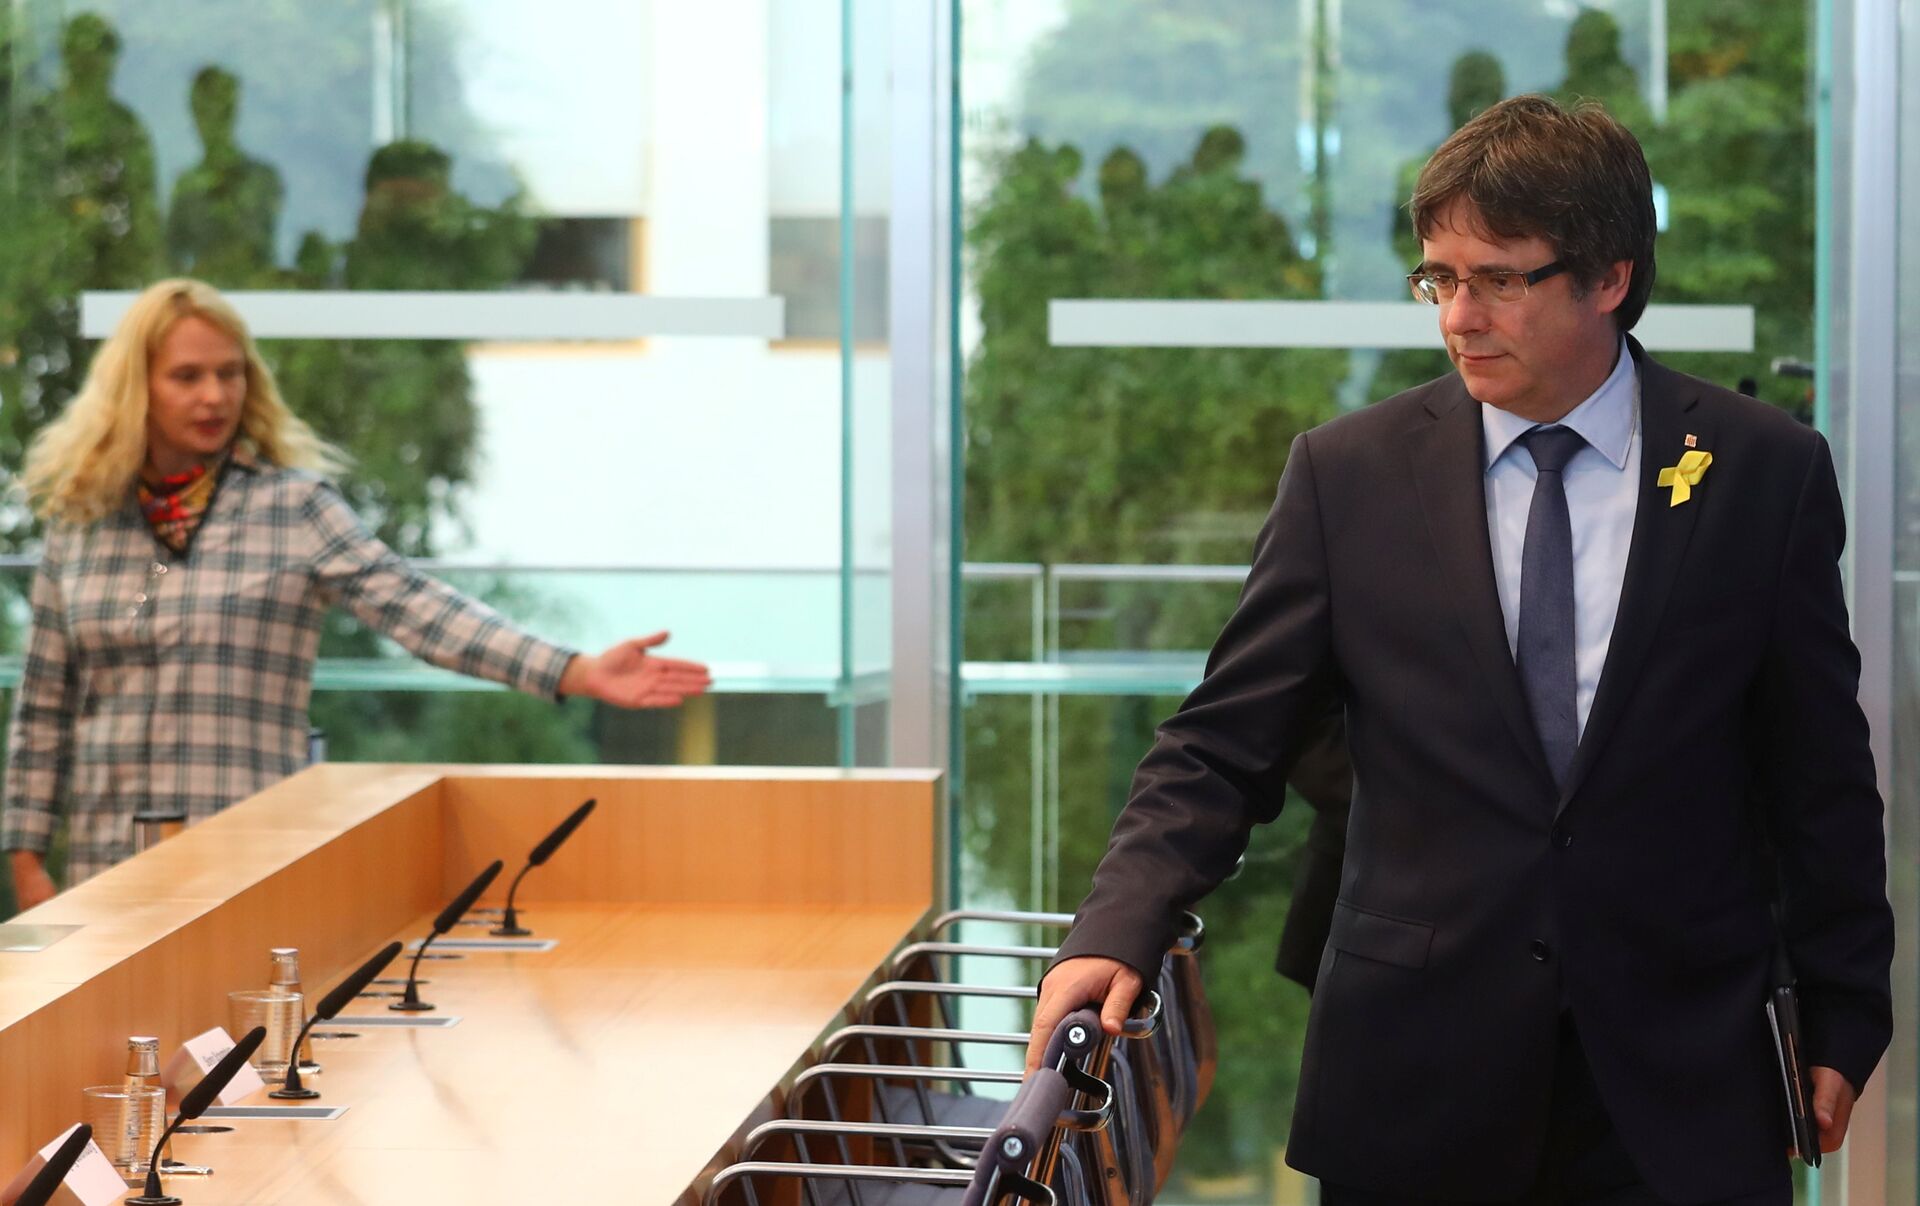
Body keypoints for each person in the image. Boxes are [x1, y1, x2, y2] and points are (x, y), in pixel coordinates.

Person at [1026, 95, 1892, 1205]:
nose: (1459, 317)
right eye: (1438, 279)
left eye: (1498, 280)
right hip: (1416, 1078)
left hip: (1685, 1078)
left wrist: (1846, 1007)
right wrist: (1117, 927)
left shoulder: (1763, 470)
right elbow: (1222, 743)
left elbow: (1819, 770)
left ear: (1609, 277)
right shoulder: (1348, 476)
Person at [3, 279, 712, 909]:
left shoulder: (294, 508)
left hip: (245, 862)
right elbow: (43, 706)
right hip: (108, 869)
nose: (214, 395)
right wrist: (27, 864)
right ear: (137, 388)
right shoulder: (81, 524)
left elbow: (421, 610)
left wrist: (576, 669)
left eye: (230, 373)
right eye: (187, 376)